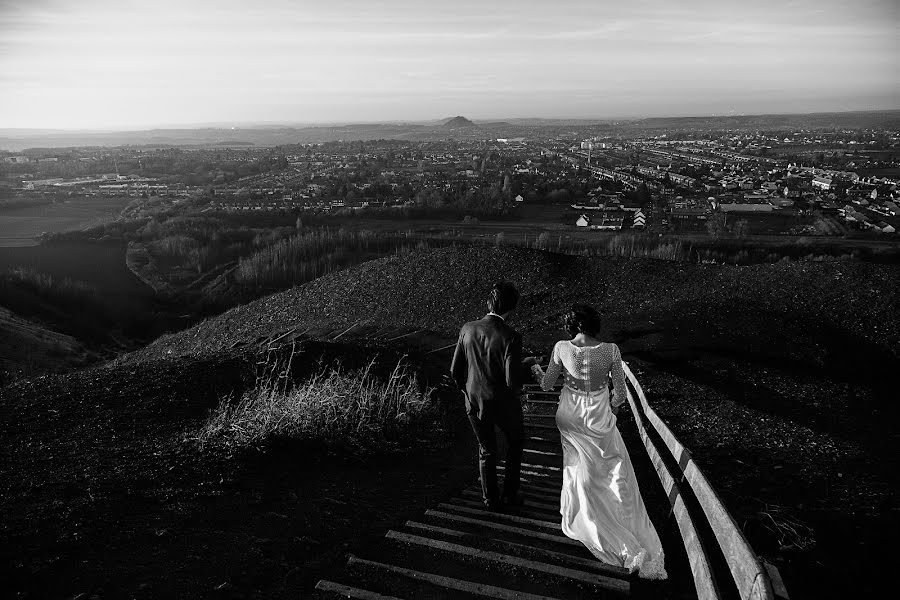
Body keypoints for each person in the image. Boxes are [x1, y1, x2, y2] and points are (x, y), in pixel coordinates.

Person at [531, 304, 667, 579]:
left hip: (569, 417)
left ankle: (583, 514)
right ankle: (614, 524)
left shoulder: (561, 347)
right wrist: (612, 408)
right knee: (610, 467)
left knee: (576, 466)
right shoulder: (611, 350)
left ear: (573, 325)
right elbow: (620, 392)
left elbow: (547, 384)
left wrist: (534, 367)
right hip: (598, 418)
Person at [450, 282, 537, 511]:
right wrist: (527, 366)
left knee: (486, 449)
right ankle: (510, 493)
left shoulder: (467, 328)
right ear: (512, 306)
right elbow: (512, 380)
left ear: (489, 302)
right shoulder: (511, 337)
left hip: (474, 401)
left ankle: (490, 499)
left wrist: (468, 393)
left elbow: (455, 371)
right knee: (516, 442)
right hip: (504, 403)